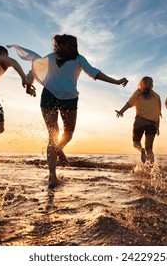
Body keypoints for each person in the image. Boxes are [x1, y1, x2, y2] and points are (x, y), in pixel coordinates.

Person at [25, 34, 128, 188]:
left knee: (68, 133)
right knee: (53, 134)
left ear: (71, 46)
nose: (59, 47)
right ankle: (52, 176)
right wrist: (28, 84)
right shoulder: (51, 57)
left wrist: (117, 81)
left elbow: (95, 73)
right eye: (58, 45)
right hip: (49, 96)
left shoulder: (79, 59)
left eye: (62, 45)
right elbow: (35, 68)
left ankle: (58, 150)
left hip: (69, 98)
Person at [116, 76, 161, 164]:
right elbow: (157, 112)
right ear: (152, 85)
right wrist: (158, 126)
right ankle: (151, 170)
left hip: (140, 121)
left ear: (141, 83)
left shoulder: (139, 92)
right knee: (149, 148)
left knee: (136, 143)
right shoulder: (157, 96)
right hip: (152, 124)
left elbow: (129, 103)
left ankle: (141, 150)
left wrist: (121, 111)